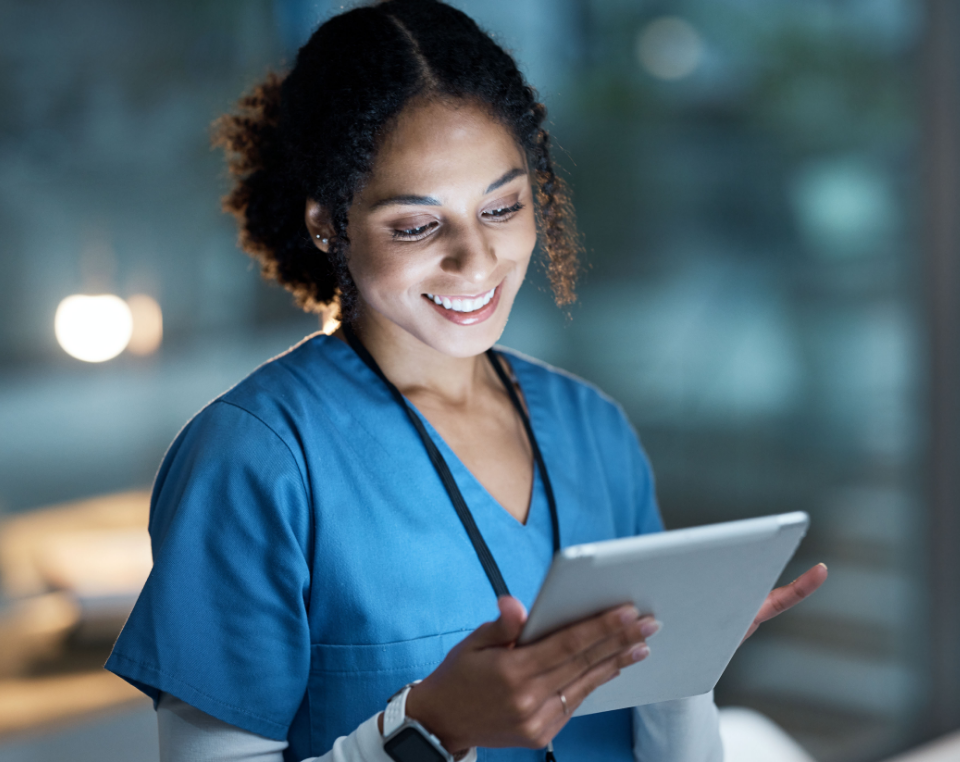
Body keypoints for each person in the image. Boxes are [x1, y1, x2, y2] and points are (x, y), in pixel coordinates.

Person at [106, 2, 828, 761]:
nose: (477, 260)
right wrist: (427, 728)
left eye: (502, 207)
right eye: (418, 225)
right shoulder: (255, 461)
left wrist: (686, 664)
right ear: (329, 225)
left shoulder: (593, 429)